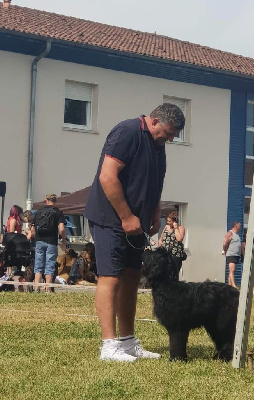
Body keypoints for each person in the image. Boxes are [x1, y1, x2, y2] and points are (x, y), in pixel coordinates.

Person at [84, 103, 185, 362]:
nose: (171, 138)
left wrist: (154, 213)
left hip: (136, 223)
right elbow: (108, 177)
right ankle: (109, 346)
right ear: (154, 122)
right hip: (110, 219)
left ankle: (128, 342)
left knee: (131, 277)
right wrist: (127, 217)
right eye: (169, 132)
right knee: (111, 278)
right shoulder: (127, 132)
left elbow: (156, 183)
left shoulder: (159, 147)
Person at [33, 194, 68, 292]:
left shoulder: (39, 211)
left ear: (46, 200)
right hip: (51, 242)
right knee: (50, 265)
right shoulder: (58, 212)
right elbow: (61, 229)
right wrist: (63, 239)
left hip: (39, 240)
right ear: (55, 201)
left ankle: (36, 288)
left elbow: (33, 228)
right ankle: (47, 289)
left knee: (38, 265)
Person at [158, 211, 186, 280]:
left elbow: (179, 239)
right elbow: (161, 238)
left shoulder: (180, 228)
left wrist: (176, 228)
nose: (168, 222)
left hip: (175, 254)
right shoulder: (166, 227)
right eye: (167, 221)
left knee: (174, 274)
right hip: (165, 253)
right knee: (164, 273)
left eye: (169, 221)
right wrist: (160, 244)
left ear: (174, 221)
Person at [222, 221, 241, 288]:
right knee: (231, 270)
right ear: (236, 226)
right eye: (239, 226)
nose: (240, 227)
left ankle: (229, 286)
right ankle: (233, 285)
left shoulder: (237, 235)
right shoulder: (230, 233)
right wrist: (224, 251)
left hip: (236, 255)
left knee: (233, 271)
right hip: (231, 254)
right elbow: (225, 243)